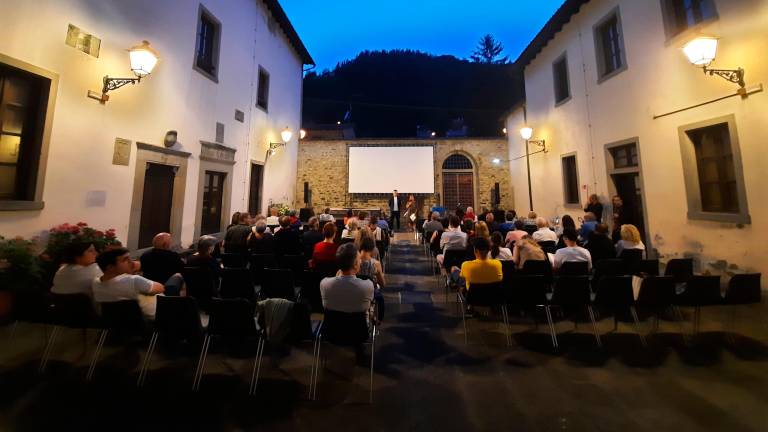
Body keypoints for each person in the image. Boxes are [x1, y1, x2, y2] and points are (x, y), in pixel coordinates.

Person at [93, 247, 166, 319]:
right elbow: (161, 288)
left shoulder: (95, 283)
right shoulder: (134, 280)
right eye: (125, 259)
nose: (131, 262)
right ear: (110, 267)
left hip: (117, 322)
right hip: (157, 317)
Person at [450, 237, 503, 316]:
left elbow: (461, 279)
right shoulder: (498, 264)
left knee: (454, 269)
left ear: (475, 250)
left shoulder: (466, 265)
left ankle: (451, 283)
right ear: (489, 250)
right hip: (494, 297)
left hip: (472, 298)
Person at [319, 243, 374, 315]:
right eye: (359, 259)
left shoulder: (324, 284)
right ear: (355, 264)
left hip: (332, 322)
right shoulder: (367, 286)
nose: (360, 261)